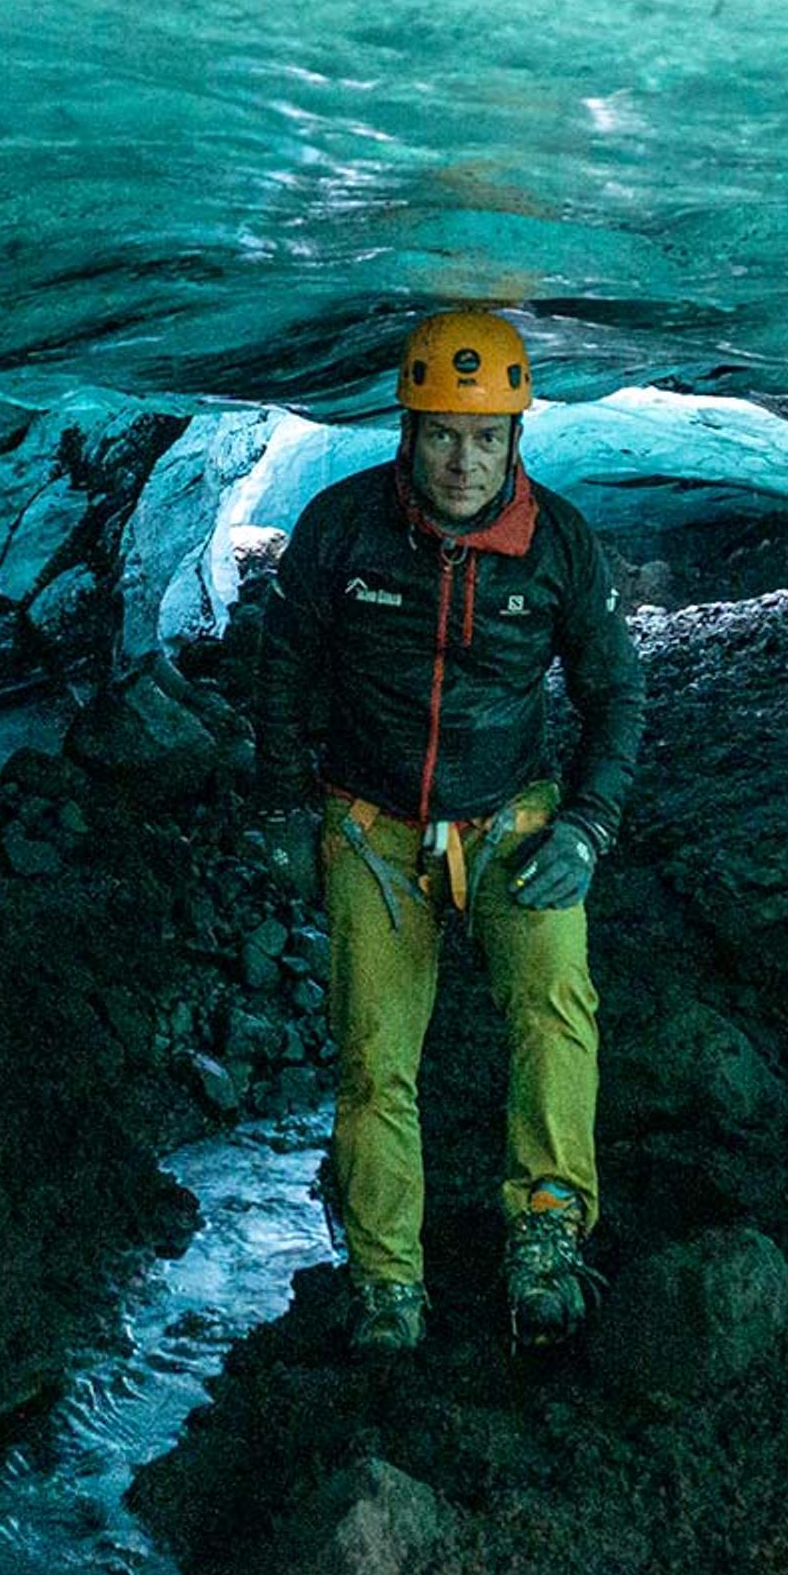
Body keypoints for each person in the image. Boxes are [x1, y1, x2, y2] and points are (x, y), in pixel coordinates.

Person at [251, 310, 647, 1354]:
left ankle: (548, 1235)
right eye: (441, 433)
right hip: (373, 829)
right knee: (375, 1057)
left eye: (486, 437)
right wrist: (293, 813)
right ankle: (388, 1281)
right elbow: (281, 676)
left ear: (517, 437)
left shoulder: (559, 543)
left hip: (515, 819)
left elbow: (617, 694)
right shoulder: (341, 529)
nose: (463, 460)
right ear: (406, 427)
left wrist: (590, 826)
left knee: (555, 1009)